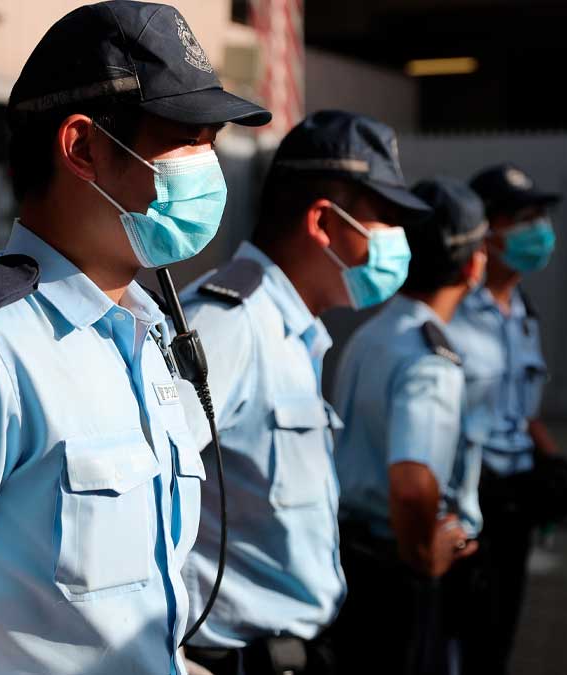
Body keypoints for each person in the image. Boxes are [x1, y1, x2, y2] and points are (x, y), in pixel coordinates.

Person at [0, 3, 269, 674]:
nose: (207, 164)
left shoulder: (151, 333)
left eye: (211, 141)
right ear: (82, 148)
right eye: (184, 139)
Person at [178, 110, 430, 675]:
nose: (397, 242)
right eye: (384, 220)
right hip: (232, 659)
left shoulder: (294, 333)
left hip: (295, 653)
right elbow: (142, 501)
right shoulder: (228, 325)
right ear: (323, 222)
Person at [328, 177, 489, 674]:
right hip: (399, 568)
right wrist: (426, 558)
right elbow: (414, 487)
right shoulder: (430, 358)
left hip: (352, 557)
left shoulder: (375, 331)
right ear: (473, 265)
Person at [445, 163, 567, 675]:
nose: (537, 231)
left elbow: (524, 413)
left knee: (498, 642)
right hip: (469, 508)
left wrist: (554, 461)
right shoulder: (450, 313)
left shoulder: (522, 311)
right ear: (485, 232)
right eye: (521, 218)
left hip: (515, 507)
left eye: (540, 217)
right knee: (459, 643)